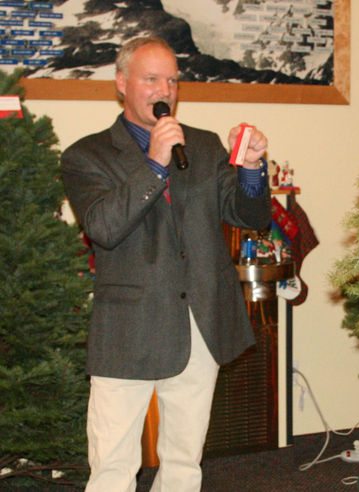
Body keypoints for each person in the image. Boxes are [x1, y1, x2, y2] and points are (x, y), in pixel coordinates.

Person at [61, 36, 271, 492]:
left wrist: (252, 168)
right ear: (121, 83)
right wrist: (155, 163)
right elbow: (103, 227)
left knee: (184, 462)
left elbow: (250, 216)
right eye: (151, 78)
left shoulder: (204, 145)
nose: (164, 90)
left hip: (199, 321)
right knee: (113, 466)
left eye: (172, 80)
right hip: (127, 331)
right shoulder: (86, 155)